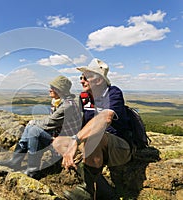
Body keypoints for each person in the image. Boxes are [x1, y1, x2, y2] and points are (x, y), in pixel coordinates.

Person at [52, 58, 132, 199]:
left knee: (95, 137)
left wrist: (76, 141)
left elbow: (106, 118)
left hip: (119, 147)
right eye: (80, 77)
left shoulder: (112, 93)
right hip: (93, 146)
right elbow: (81, 123)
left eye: (85, 77)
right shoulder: (84, 97)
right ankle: (103, 189)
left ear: (99, 80)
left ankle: (87, 191)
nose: (81, 81)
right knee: (58, 142)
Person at [0, 75, 82, 179]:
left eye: (53, 87)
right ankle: (15, 162)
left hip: (66, 142)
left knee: (34, 130)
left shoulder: (67, 105)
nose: (49, 89)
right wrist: (32, 123)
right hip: (58, 136)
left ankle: (33, 171)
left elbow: (51, 122)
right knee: (30, 128)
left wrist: (33, 122)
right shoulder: (59, 102)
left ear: (61, 90)